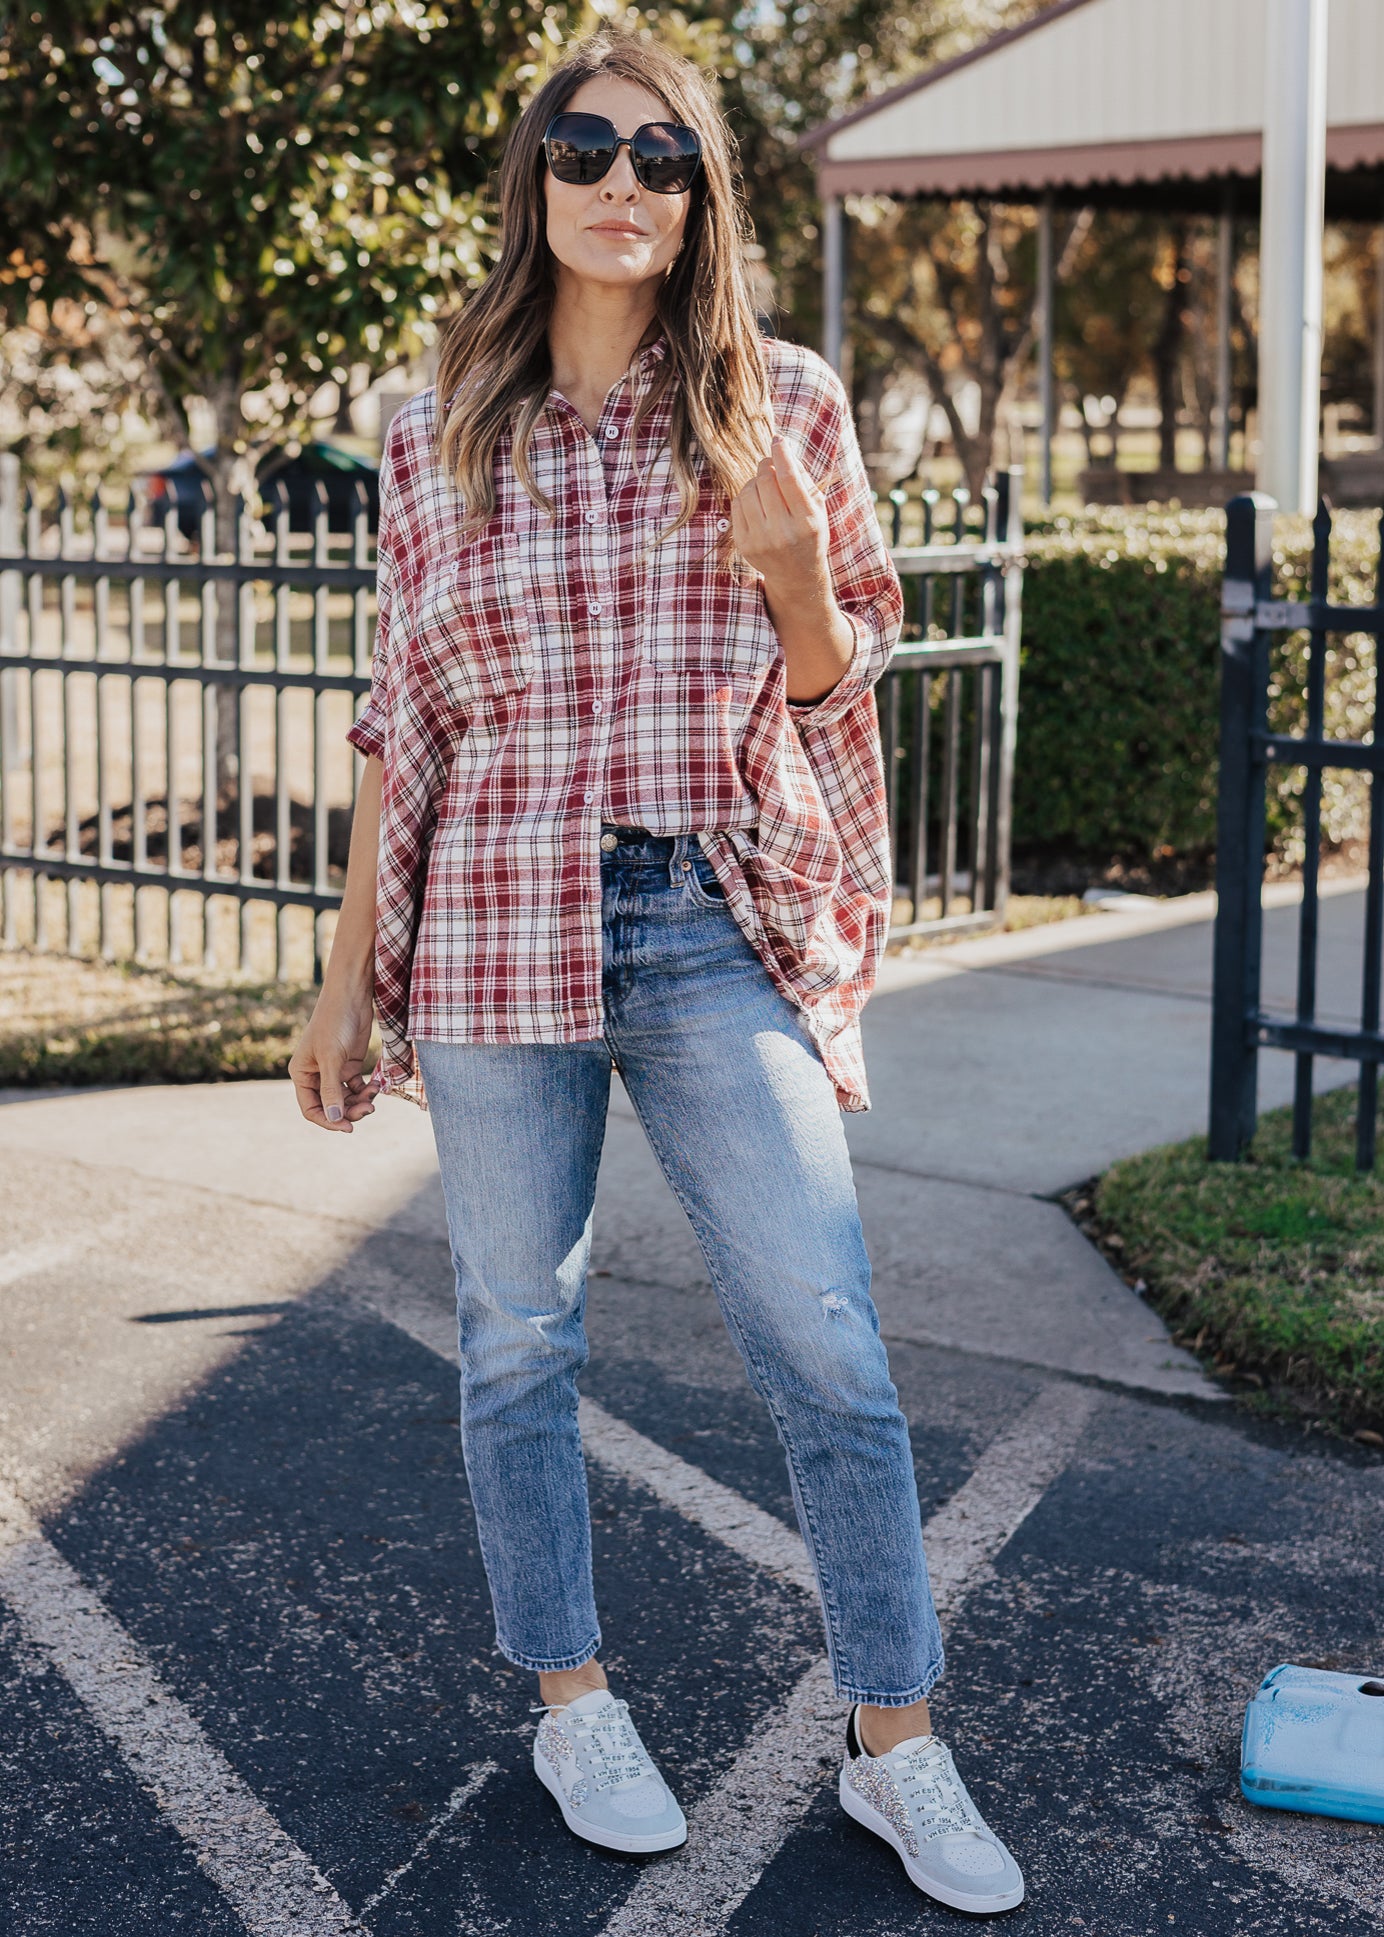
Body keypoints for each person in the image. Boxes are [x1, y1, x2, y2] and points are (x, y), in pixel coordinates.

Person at [288, 29, 1023, 1917]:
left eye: (666, 154)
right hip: (494, 931)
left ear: (705, 197)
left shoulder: (781, 398)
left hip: (705, 916)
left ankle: (898, 1743)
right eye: (587, 143)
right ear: (534, 179)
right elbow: (405, 710)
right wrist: (344, 967)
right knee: (519, 1336)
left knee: (828, 1339)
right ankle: (572, 1695)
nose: (626, 178)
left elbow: (840, 675)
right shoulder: (438, 410)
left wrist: (788, 570)